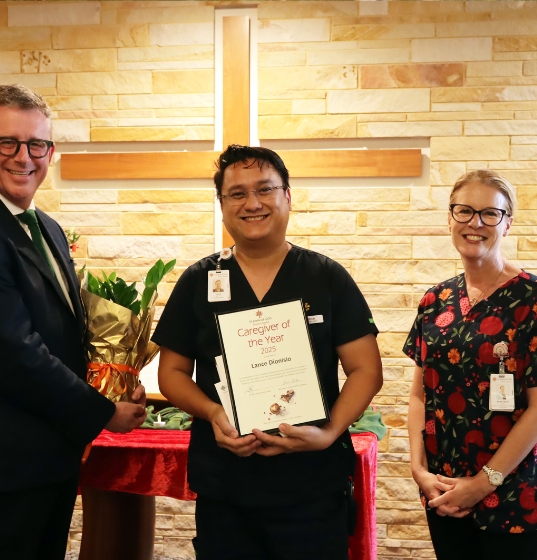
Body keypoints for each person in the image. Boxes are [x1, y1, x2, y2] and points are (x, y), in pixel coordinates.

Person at [0, 84, 146, 560]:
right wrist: (103, 413)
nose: (23, 157)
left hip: (44, 461)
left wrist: (115, 381)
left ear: (51, 151)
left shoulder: (46, 228)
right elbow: (15, 355)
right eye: (8, 142)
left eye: (36, 145)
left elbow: (63, 334)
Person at [153, 145, 383, 560]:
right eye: (236, 193)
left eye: (265, 189)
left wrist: (329, 432)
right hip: (226, 489)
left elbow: (366, 369)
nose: (252, 203)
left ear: (288, 196)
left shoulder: (325, 277)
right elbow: (171, 372)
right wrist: (213, 413)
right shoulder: (199, 280)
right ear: (222, 205)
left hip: (311, 487)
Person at [403, 169, 537, 560]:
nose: (475, 223)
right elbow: (419, 394)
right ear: (450, 218)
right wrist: (418, 469)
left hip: (515, 491)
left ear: (507, 223)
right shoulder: (436, 300)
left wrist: (483, 483)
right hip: (444, 487)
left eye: (489, 214)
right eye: (464, 211)